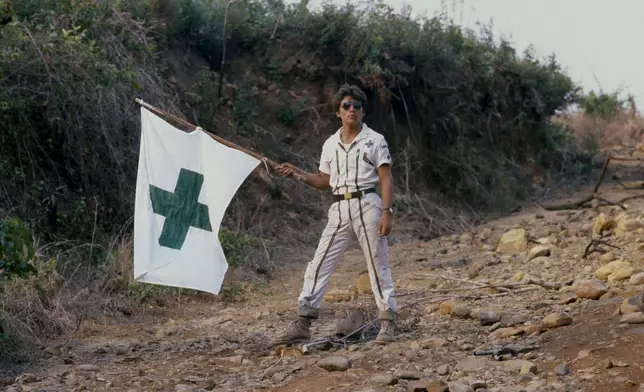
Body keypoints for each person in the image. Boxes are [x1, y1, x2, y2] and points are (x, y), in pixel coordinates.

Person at [272, 84, 397, 345]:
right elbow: (324, 180)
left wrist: (387, 211)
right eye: (346, 106)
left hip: (367, 203)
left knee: (377, 263)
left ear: (363, 111)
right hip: (339, 207)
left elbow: (385, 178)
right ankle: (303, 322)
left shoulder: (375, 140)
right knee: (319, 263)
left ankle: (387, 321)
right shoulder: (330, 144)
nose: (352, 110)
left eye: (357, 106)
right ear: (338, 112)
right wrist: (298, 173)